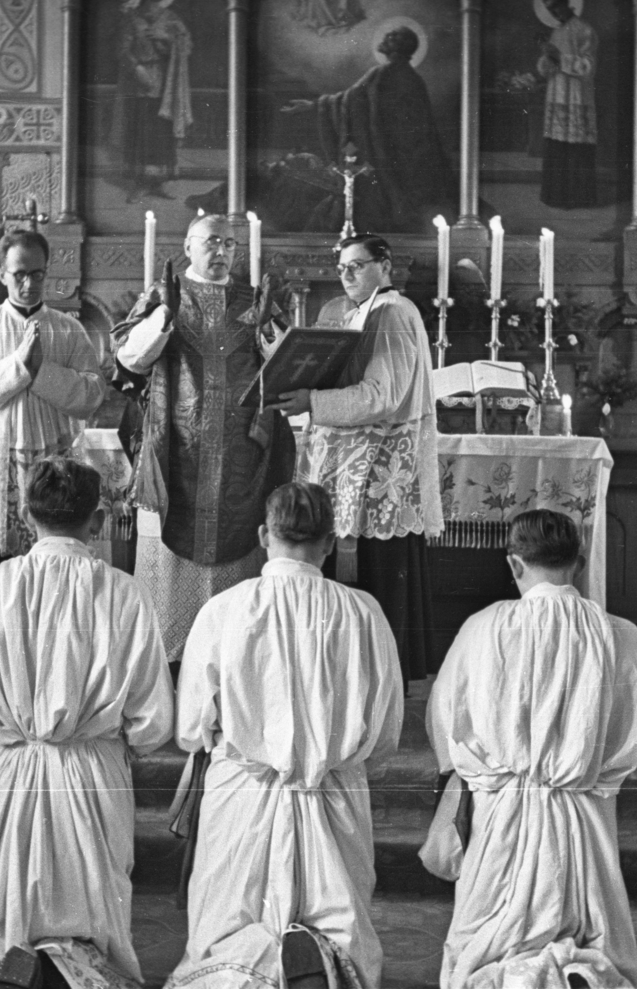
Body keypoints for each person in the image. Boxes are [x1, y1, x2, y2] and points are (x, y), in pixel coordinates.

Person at [0, 458, 172, 989]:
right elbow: (153, 718)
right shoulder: (123, 592)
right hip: (92, 772)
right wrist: (119, 739)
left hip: (9, 768)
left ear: (25, 514)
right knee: (91, 916)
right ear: (97, 520)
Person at [169, 482, 402, 989]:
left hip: (242, 797)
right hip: (332, 795)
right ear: (329, 541)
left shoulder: (224, 610)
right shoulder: (362, 612)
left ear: (262, 535)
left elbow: (190, 728)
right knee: (338, 931)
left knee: (227, 930)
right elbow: (384, 733)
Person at [429, 509, 637, 988]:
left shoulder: (484, 626)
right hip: (586, 814)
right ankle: (579, 972)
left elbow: (445, 721)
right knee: (590, 927)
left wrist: (478, 771)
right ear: (577, 562)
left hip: (502, 813)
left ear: (515, 565)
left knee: (487, 941)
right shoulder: (621, 634)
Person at [112, 214, 295, 663]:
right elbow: (129, 361)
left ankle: (233, 659)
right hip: (175, 451)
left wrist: (268, 328)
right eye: (212, 242)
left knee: (237, 566)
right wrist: (166, 317)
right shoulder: (162, 295)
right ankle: (169, 663)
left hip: (241, 453)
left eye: (231, 244)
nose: (222, 252)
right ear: (188, 247)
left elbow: (285, 362)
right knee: (171, 584)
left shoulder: (252, 299)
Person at [275, 233, 443, 681]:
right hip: (363, 464)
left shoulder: (391, 313)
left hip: (380, 467)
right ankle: (368, 676)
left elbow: (382, 396)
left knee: (384, 574)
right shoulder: (366, 312)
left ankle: (381, 678)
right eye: (342, 267)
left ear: (384, 266)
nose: (346, 274)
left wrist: (312, 400)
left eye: (358, 265)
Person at [0, 228, 109, 562]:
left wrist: (41, 373)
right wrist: (19, 366)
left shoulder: (68, 329)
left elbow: (91, 394)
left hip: (52, 454)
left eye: (37, 274)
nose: (29, 284)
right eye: (19, 275)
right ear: (1, 274)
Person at [281, 27, 454, 232]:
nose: (385, 39)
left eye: (391, 37)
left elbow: (349, 100)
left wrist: (313, 106)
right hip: (409, 155)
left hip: (386, 150)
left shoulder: (383, 73)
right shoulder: (414, 78)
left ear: (397, 46)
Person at [118, 0, 193, 203]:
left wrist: (166, 41)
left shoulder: (171, 18)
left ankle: (159, 183)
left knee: (161, 130)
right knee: (142, 128)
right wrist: (137, 69)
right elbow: (122, 50)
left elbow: (187, 46)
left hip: (166, 80)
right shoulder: (132, 17)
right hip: (140, 80)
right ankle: (141, 183)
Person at [537, 0, 598, 209]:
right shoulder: (557, 31)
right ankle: (556, 196)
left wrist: (559, 57)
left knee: (575, 148)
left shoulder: (585, 30)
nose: (554, 13)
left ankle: (577, 198)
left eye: (556, 8)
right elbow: (548, 68)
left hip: (576, 97)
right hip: (557, 94)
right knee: (557, 146)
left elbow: (588, 67)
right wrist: (547, 57)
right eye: (550, 10)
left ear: (566, 3)